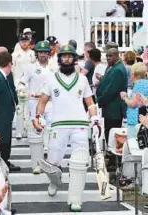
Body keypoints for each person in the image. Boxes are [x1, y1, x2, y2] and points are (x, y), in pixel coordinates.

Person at [34, 44, 101, 212]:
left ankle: (75, 199)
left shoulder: (82, 79)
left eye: (70, 56)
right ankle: (55, 181)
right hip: (58, 124)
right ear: (60, 58)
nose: (67, 59)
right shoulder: (51, 78)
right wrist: (38, 117)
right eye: (64, 56)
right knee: (53, 162)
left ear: (74, 59)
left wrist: (94, 118)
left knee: (80, 161)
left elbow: (90, 103)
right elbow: (42, 102)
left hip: (79, 124)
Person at [18, 41, 52, 174]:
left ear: (49, 54)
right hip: (35, 102)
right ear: (37, 53)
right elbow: (22, 82)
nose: (43, 55)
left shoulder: (54, 68)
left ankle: (50, 163)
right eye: (40, 52)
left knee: (50, 131)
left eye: (45, 52)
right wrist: (22, 90)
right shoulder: (30, 68)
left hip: (51, 104)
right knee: (36, 134)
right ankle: (36, 164)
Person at [96, 48, 127, 170]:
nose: (108, 58)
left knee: (113, 134)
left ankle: (114, 163)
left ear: (116, 55)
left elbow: (111, 90)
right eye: (107, 56)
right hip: (109, 107)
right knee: (109, 133)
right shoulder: (113, 67)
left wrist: (100, 100)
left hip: (113, 108)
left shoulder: (118, 69)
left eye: (110, 56)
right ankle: (113, 161)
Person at [12, 34, 36, 139]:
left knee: (29, 108)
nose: (24, 43)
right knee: (20, 109)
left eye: (26, 41)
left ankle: (28, 129)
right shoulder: (15, 54)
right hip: (19, 83)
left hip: (30, 84)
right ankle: (19, 131)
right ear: (19, 42)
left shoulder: (32, 54)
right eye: (22, 41)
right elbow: (12, 70)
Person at [120, 62, 148, 138]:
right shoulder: (145, 83)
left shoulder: (139, 84)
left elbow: (133, 104)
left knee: (133, 144)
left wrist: (124, 97)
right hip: (141, 118)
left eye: (132, 73)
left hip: (135, 120)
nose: (131, 76)